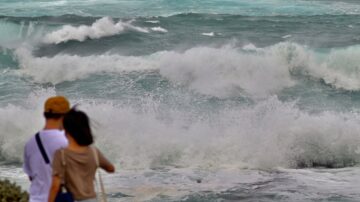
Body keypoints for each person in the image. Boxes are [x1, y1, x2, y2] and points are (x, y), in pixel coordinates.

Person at [48, 108, 115, 202]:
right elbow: (111, 168)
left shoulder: (61, 154)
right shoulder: (94, 152)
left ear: (66, 129)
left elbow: (55, 186)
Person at [23, 96, 71, 202]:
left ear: (45, 115)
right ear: (65, 116)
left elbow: (31, 177)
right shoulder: (67, 142)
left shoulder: (30, 143)